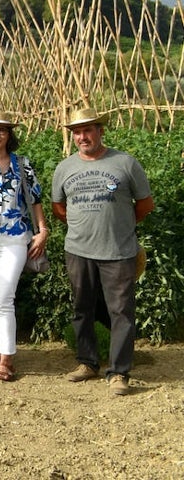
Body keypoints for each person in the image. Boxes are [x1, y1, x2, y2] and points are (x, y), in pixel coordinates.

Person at [52, 107, 153, 397]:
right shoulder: (65, 168)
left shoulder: (125, 163)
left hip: (118, 249)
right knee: (82, 307)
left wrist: (121, 225)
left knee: (121, 310)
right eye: (77, 132)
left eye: (88, 130)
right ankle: (87, 363)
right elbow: (59, 208)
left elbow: (144, 204)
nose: (83, 137)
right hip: (79, 250)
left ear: (100, 131)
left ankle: (119, 372)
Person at [0, 110, 49, 382]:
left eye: (2, 130)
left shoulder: (22, 165)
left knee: (5, 297)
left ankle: (7, 359)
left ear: (9, 135)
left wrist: (43, 230)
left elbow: (35, 199)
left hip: (15, 238)